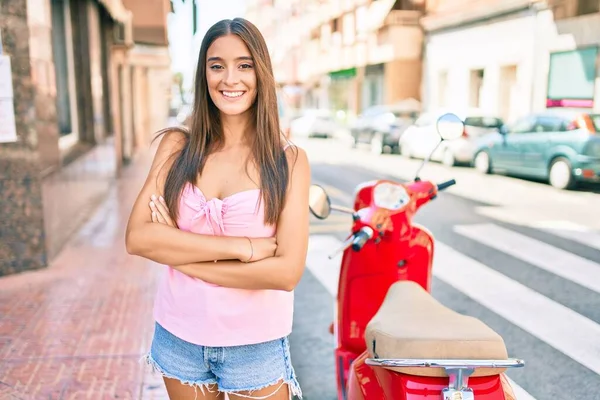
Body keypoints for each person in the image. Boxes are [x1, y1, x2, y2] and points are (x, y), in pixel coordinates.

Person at [125, 17, 309, 400]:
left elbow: (286, 272)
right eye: (216, 65)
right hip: (179, 335)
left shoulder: (288, 161)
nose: (230, 79)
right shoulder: (177, 147)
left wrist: (180, 254)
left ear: (261, 72)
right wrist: (243, 248)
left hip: (255, 342)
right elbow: (139, 237)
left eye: (244, 65)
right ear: (203, 74)